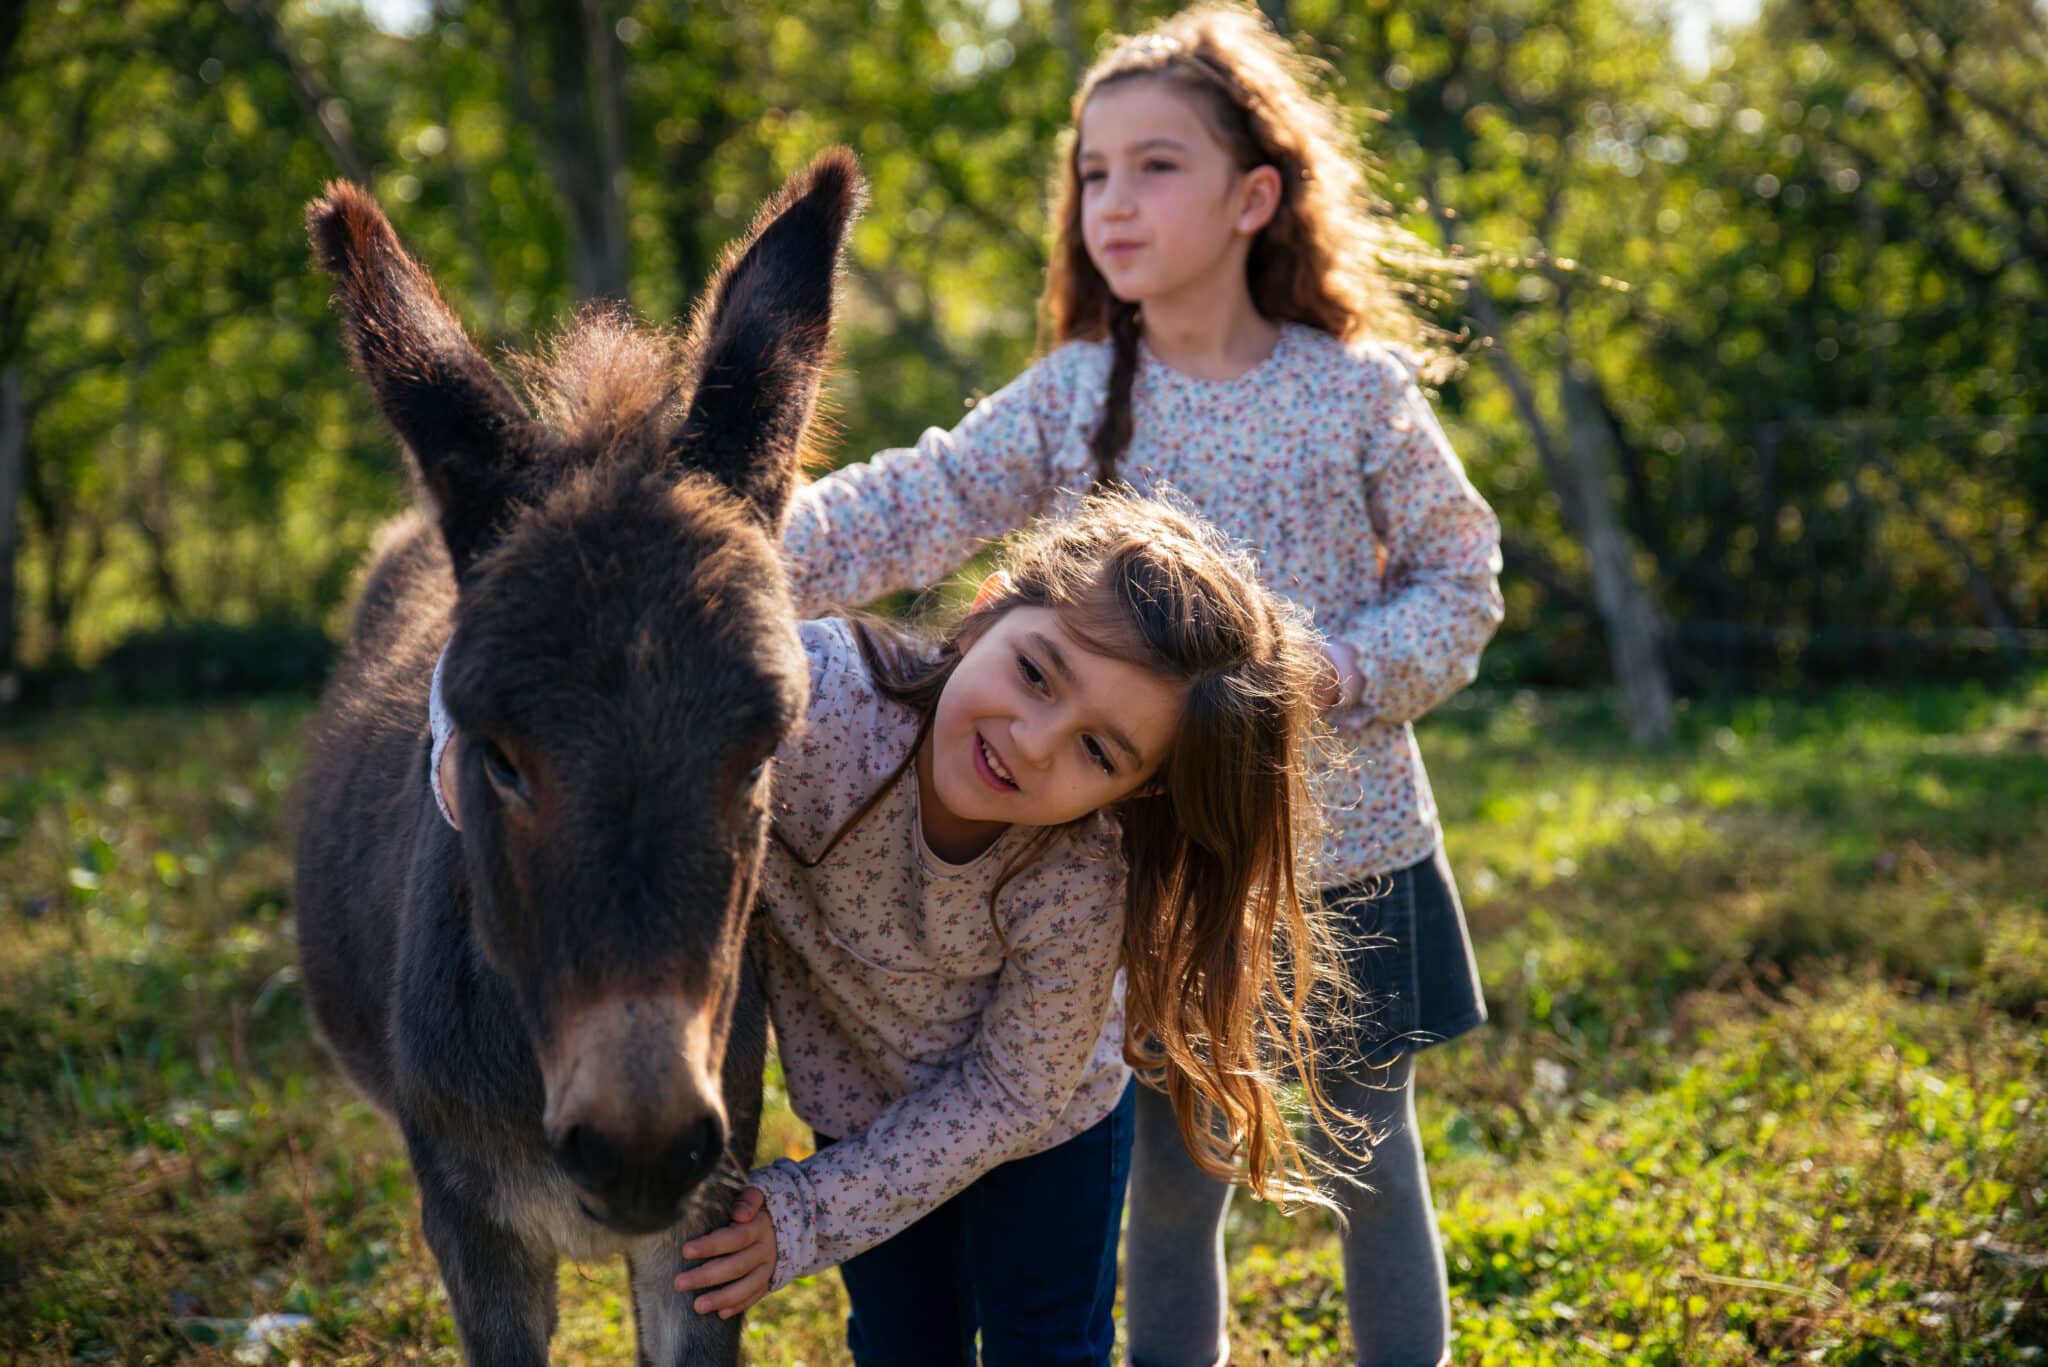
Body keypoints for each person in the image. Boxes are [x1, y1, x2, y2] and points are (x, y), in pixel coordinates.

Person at [771, 6, 1504, 1363]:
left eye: (1155, 165)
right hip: (1154, 874)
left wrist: (1347, 666)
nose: (1113, 199)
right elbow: (911, 502)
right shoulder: (1069, 395)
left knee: (1370, 1158)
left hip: (1356, 853)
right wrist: (718, 548)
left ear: (1255, 196)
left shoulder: (1357, 395)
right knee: (1172, 1185)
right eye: (1092, 171)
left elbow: (1465, 579)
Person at [433, 492, 1344, 1366]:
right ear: (986, 611)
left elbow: (1011, 1093)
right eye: (1035, 673)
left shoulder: (1080, 879)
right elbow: (532, 638)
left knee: (1048, 1348)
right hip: (861, 1113)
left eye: (1098, 750)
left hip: (1043, 1136)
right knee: (905, 1348)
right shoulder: (817, 704)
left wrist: (810, 1213)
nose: (1032, 740)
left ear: (1140, 789)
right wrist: (455, 757)